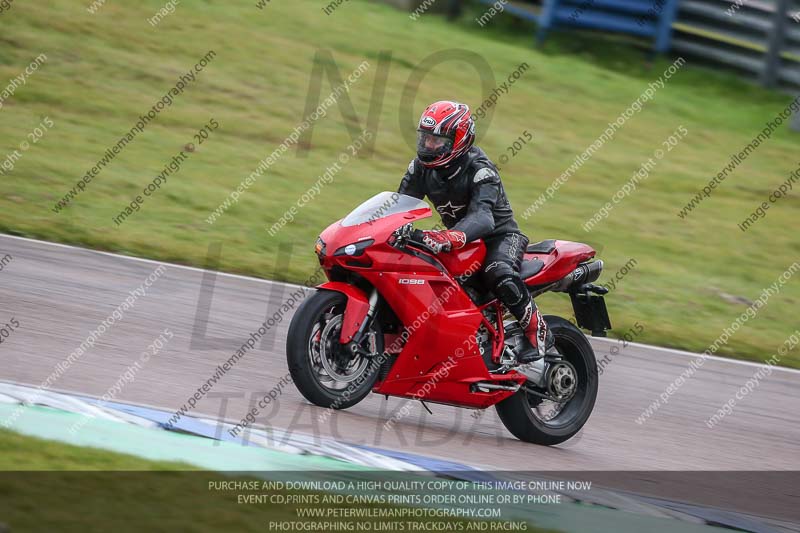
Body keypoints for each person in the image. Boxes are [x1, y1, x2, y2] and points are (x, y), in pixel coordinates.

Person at [398, 100, 553, 363]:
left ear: (459, 140)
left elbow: (483, 217)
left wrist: (450, 236)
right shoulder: (419, 169)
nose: (430, 146)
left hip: (500, 237)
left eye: (438, 141)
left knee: (498, 272)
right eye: (426, 139)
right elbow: (399, 206)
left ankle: (538, 332)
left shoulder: (480, 170)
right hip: (461, 242)